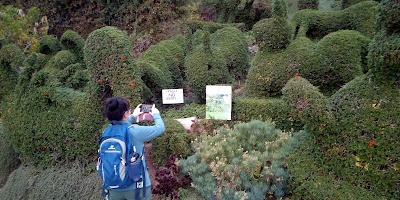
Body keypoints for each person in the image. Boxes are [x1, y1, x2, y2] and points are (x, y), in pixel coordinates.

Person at [104, 97, 165, 200]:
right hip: (137, 188)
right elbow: (160, 128)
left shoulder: (106, 132)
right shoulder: (135, 131)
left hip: (113, 188)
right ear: (125, 114)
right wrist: (155, 114)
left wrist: (132, 116)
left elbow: (120, 125)